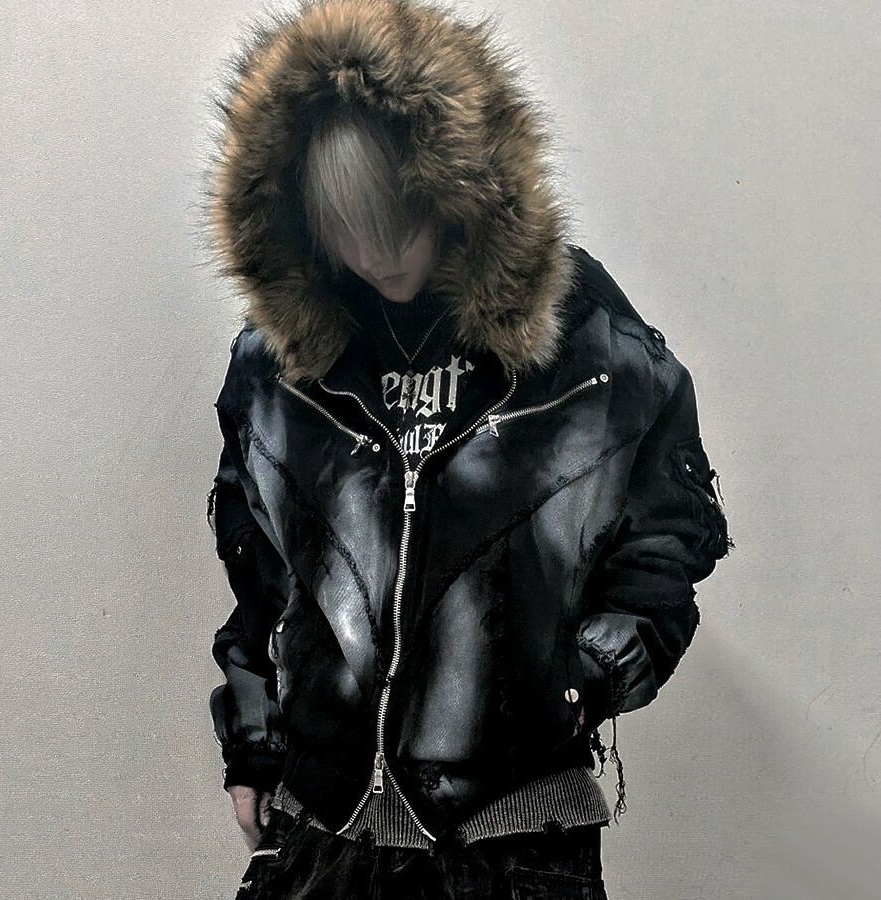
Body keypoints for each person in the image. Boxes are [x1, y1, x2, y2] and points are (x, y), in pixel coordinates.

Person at [203, 0, 732, 897]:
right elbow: (260, 577)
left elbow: (667, 534)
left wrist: (577, 680)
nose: (374, 254)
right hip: (320, 832)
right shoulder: (280, 365)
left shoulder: (578, 330)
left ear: (453, 186)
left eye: (395, 219)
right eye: (344, 226)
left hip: (515, 842)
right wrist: (252, 743)